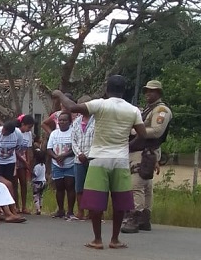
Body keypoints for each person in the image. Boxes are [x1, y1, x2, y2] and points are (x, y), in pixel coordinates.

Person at [53, 75, 147, 249]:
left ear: (106, 90)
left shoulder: (100, 104)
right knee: (120, 202)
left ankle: (97, 240)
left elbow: (72, 106)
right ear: (124, 90)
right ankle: (115, 239)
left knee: (96, 202)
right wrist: (127, 145)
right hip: (120, 159)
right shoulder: (133, 110)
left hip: (99, 158)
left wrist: (59, 93)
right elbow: (143, 135)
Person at [121, 80, 172, 233]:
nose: (148, 93)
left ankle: (134, 218)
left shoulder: (161, 110)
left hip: (146, 151)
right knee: (146, 184)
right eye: (147, 91)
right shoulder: (149, 109)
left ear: (159, 93)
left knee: (136, 184)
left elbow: (157, 131)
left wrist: (134, 131)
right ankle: (144, 218)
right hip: (143, 150)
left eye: (152, 91)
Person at [47, 112, 77, 220]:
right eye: (60, 120)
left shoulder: (73, 132)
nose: (61, 122)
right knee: (59, 188)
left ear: (70, 122)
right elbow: (49, 149)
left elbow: (75, 148)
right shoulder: (54, 133)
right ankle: (60, 210)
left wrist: (64, 156)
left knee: (70, 187)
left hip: (70, 163)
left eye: (64, 120)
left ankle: (70, 211)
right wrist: (56, 157)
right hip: (57, 164)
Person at [71, 99, 95, 220]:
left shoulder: (97, 121)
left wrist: (88, 155)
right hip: (78, 159)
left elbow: (98, 139)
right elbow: (73, 140)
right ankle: (80, 211)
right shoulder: (76, 122)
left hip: (92, 158)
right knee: (79, 187)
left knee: (91, 187)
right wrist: (79, 154)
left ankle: (91, 212)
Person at [14, 115, 35, 214]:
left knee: (24, 183)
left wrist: (28, 162)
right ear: (22, 124)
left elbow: (28, 149)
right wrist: (24, 161)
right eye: (28, 127)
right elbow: (14, 150)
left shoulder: (29, 134)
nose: (29, 129)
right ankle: (16, 206)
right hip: (15, 159)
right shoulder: (15, 132)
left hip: (24, 160)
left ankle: (24, 206)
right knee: (14, 184)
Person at [31, 149, 47, 215]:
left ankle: (38, 209)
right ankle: (40, 206)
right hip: (43, 181)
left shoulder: (36, 166)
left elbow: (36, 175)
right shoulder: (44, 165)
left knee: (36, 196)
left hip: (37, 182)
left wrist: (31, 173)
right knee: (41, 195)